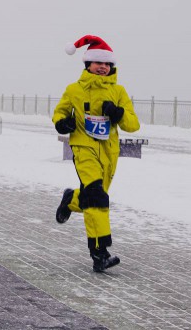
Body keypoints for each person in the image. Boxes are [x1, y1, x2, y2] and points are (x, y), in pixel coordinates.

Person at [53, 35, 140, 273]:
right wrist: (63, 123)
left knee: (94, 199)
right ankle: (100, 253)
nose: (103, 67)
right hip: (83, 149)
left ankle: (71, 200)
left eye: (107, 64)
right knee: (98, 199)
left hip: (109, 153)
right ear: (87, 65)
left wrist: (118, 113)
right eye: (97, 63)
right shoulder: (74, 90)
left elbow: (133, 125)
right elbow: (59, 113)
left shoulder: (119, 91)